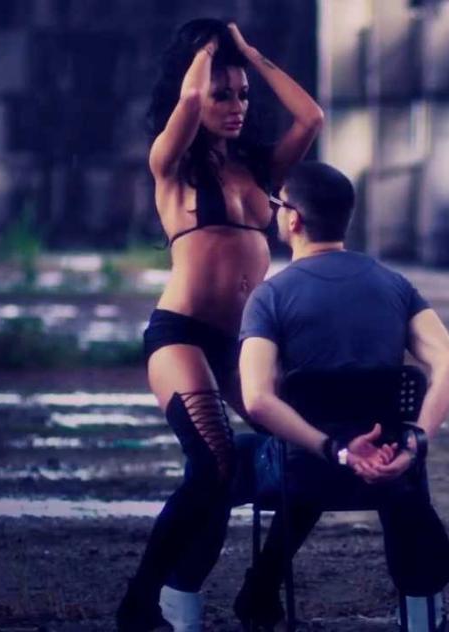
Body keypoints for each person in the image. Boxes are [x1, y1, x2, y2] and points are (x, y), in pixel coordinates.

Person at [115, 18, 323, 632]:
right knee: (214, 464)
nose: (236, 106)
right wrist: (208, 46)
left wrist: (252, 56)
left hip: (243, 344)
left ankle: (259, 587)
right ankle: (139, 604)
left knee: (312, 454)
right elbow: (186, 98)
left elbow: (310, 117)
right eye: (222, 95)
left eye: (242, 96)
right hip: (181, 334)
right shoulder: (171, 164)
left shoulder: (259, 169)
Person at [234, 161, 449, 630]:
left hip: (305, 470)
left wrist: (335, 449)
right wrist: (416, 440)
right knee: (367, 462)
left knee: (231, 456)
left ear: (293, 219)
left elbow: (256, 399)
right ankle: (418, 605)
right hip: (389, 465)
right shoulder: (395, 285)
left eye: (278, 205)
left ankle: (226, 591)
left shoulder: (270, 296)